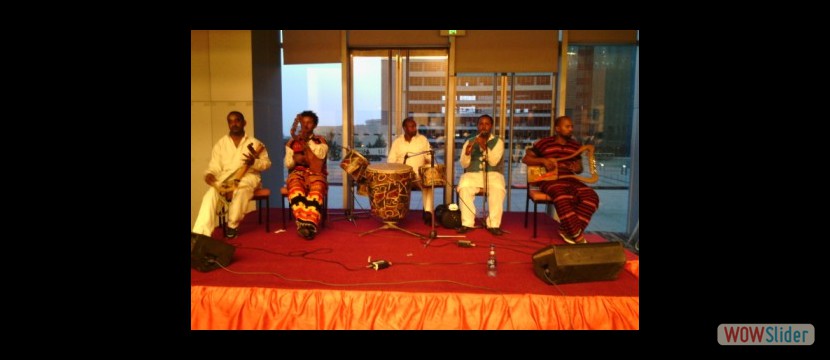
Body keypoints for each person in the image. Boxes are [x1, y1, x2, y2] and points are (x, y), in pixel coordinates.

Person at [192, 111, 272, 239]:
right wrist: (209, 174)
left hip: (249, 176)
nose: (234, 124)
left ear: (244, 123)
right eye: (231, 121)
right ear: (228, 124)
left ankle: (232, 226)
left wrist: (254, 162)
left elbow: (267, 164)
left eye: (237, 120)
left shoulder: (255, 143)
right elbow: (214, 166)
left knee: (242, 188)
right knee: (210, 195)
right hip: (226, 178)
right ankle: (200, 234)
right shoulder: (221, 144)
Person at [522, 116, 599, 244]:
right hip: (549, 180)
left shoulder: (575, 145)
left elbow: (579, 169)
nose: (571, 129)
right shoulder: (544, 143)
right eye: (567, 126)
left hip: (571, 179)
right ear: (557, 128)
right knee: (562, 196)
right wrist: (543, 160)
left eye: (571, 126)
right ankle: (578, 237)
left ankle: (567, 230)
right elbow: (526, 159)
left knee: (592, 197)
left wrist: (577, 167)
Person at [457, 114, 505, 235]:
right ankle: (467, 223)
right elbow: (463, 164)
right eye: (481, 124)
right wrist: (467, 153)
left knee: (498, 189)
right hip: (473, 174)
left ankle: (493, 224)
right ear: (477, 126)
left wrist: (483, 146)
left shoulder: (498, 141)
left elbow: (494, 161)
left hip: (493, 175)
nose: (484, 126)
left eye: (487, 124)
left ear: (491, 126)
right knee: (464, 187)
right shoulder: (469, 140)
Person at [285, 110, 328, 240]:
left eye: (309, 123)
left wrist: (307, 141)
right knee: (295, 190)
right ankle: (308, 226)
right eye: (303, 123)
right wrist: (294, 160)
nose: (305, 125)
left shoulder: (320, 140)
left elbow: (321, 155)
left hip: (316, 174)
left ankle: (305, 225)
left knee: (317, 190)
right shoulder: (291, 142)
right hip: (297, 173)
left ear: (314, 125)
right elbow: (288, 164)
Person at [387, 117, 434, 224]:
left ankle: (428, 213)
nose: (414, 128)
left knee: (428, 185)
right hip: (401, 175)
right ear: (404, 128)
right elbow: (391, 160)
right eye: (411, 126)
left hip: (418, 175)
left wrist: (430, 161)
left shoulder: (422, 140)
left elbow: (429, 156)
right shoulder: (397, 142)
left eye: (415, 126)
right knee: (392, 187)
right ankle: (395, 214)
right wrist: (400, 171)